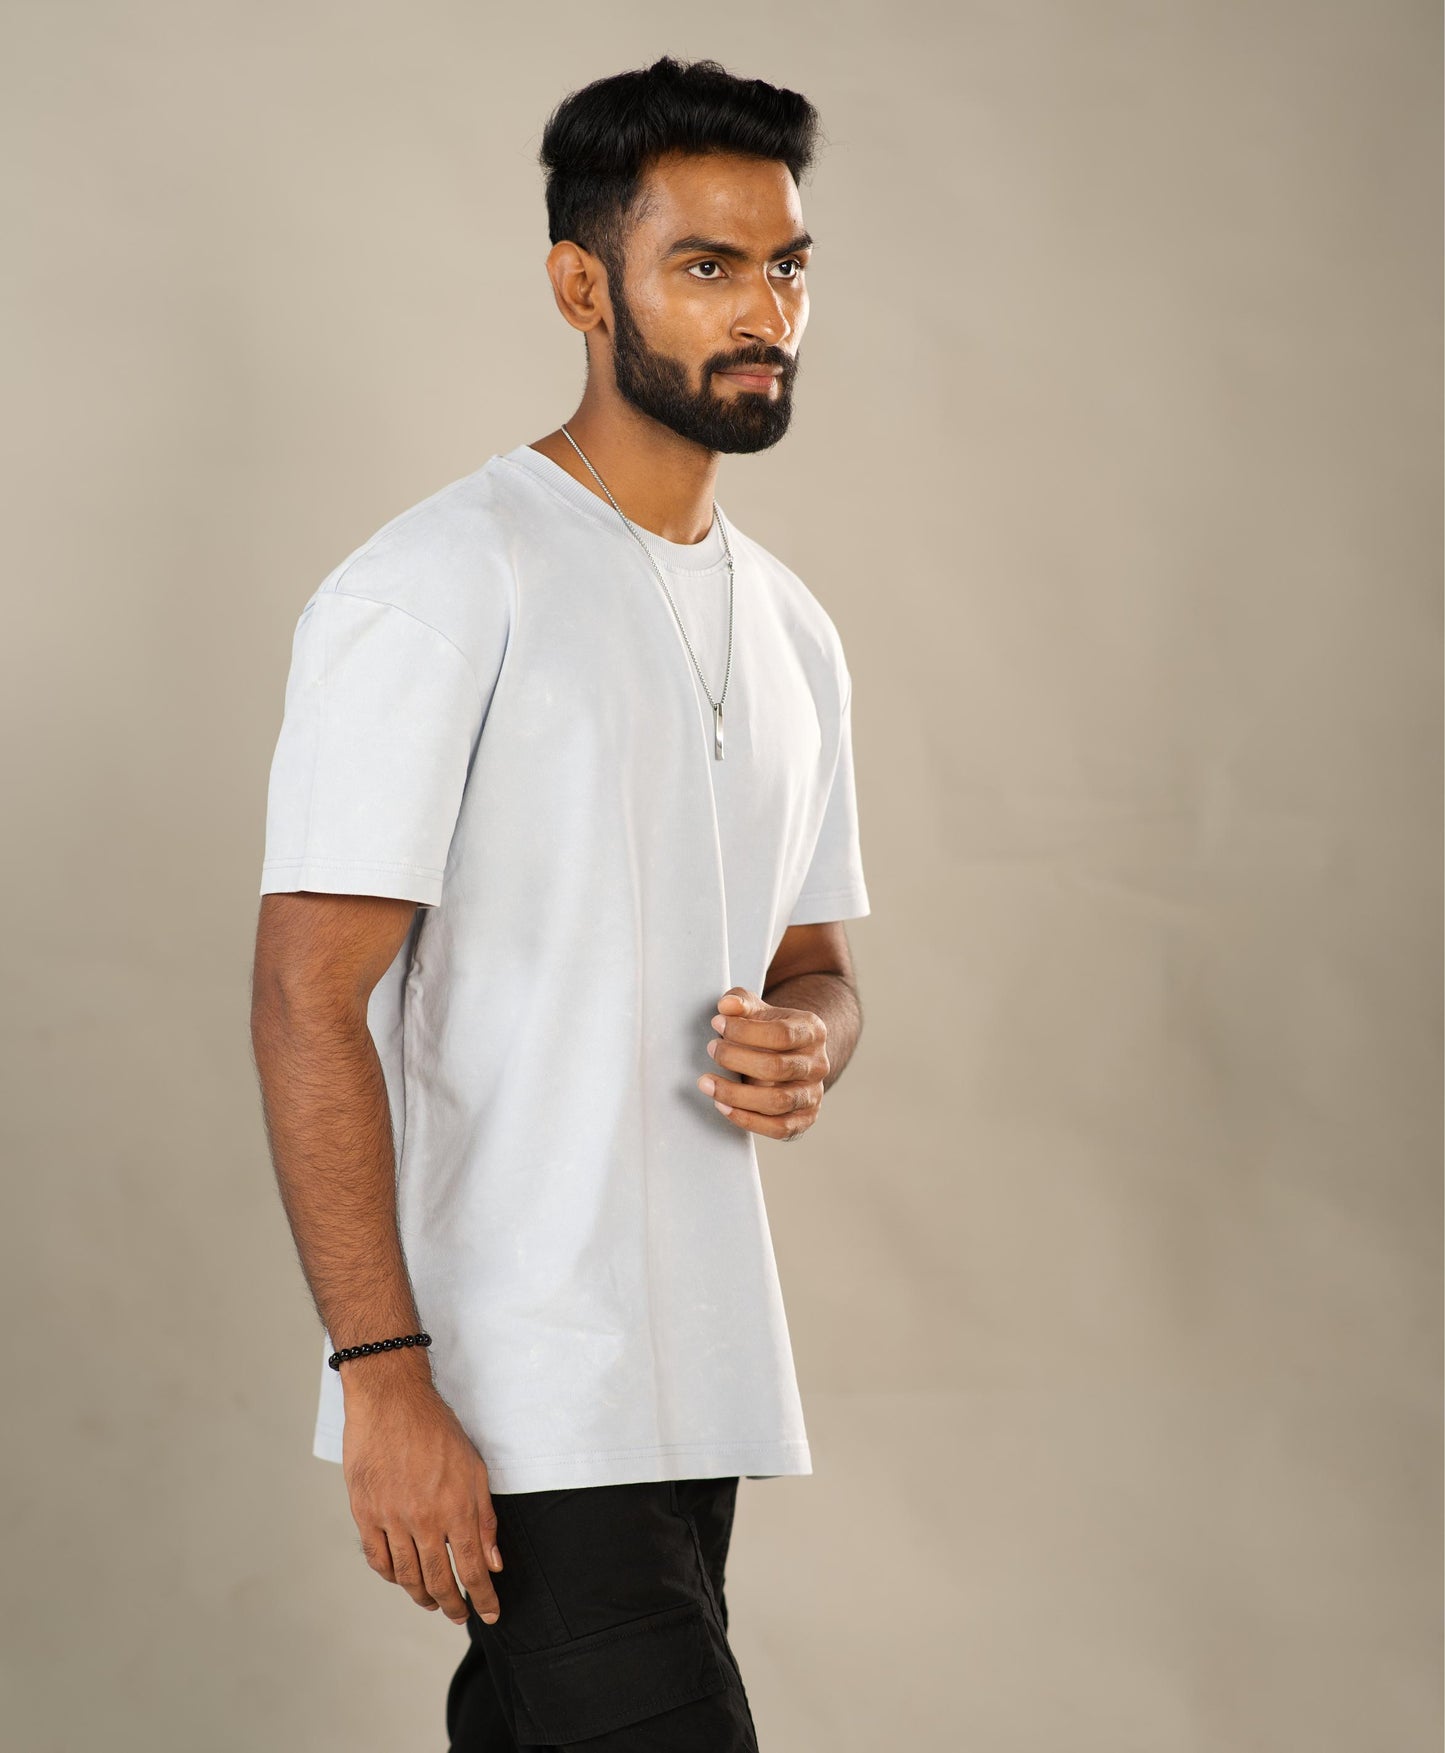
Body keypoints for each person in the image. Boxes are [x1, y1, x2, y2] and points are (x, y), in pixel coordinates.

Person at [249, 54, 871, 1752]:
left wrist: (809, 1041)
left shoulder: (796, 629)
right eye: (707, 266)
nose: (766, 311)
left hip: (701, 1376)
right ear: (579, 285)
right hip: (517, 1381)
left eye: (788, 264)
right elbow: (307, 990)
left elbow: (811, 960)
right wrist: (383, 1377)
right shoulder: (444, 582)